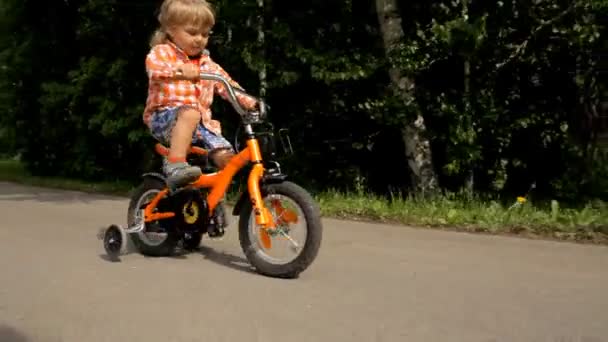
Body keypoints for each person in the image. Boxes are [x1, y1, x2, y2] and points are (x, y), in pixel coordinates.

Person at [143, 0, 258, 230]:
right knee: (190, 112)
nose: (199, 39)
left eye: (205, 34)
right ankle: (175, 166)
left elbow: (228, 85)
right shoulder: (162, 52)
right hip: (166, 118)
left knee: (228, 159)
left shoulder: (207, 64)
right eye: (192, 32)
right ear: (170, 30)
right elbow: (155, 69)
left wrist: (251, 102)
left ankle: (211, 207)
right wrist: (178, 71)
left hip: (201, 125)